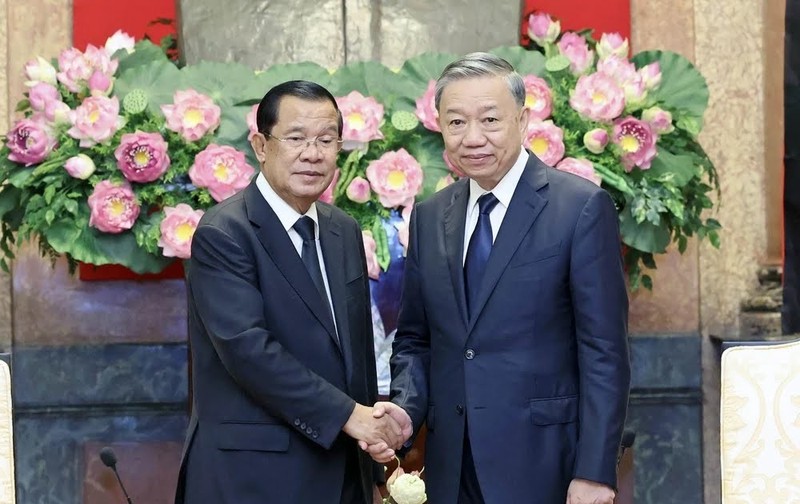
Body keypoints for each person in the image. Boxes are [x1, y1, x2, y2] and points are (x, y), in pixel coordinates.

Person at [382, 53, 631, 504]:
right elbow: (417, 339)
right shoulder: (429, 216)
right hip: (451, 465)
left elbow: (604, 352)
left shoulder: (578, 208)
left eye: (490, 120)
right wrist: (404, 409)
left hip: (545, 464)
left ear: (523, 119)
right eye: (456, 123)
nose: (472, 138)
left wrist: (595, 471)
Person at [174, 80, 409, 504]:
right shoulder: (224, 232)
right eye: (296, 138)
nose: (313, 153)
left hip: (341, 474)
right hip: (253, 477)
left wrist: (372, 471)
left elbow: (354, 355)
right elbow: (249, 350)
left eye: (326, 140)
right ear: (261, 145)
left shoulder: (342, 231)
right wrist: (350, 417)